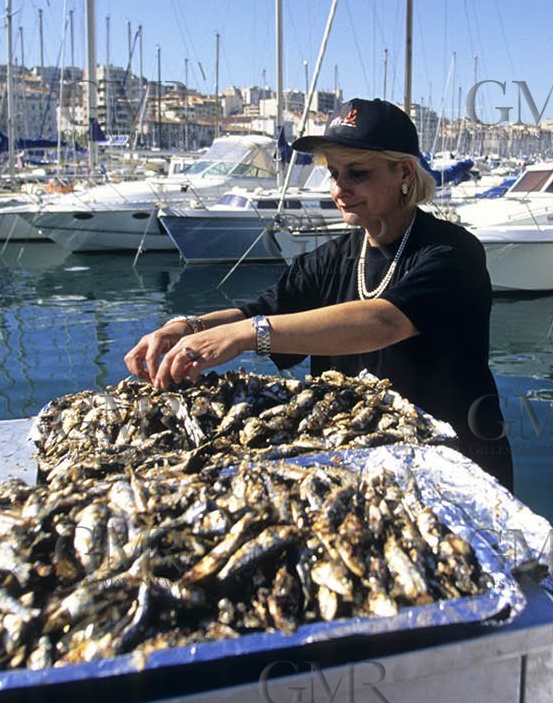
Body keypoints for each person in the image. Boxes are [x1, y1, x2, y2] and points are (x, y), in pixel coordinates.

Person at [124, 97, 514, 489]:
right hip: (360, 469)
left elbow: (384, 321)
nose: (340, 188)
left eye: (358, 173)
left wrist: (244, 337)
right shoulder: (330, 258)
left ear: (405, 173)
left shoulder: (452, 252)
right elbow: (261, 310)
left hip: (454, 469)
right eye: (334, 173)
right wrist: (187, 327)